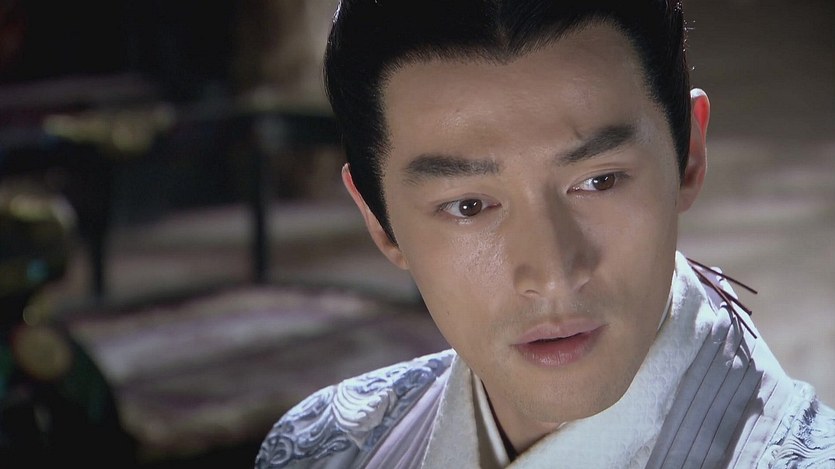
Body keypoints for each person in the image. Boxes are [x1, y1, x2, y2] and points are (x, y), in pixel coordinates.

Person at [255, 1, 835, 467]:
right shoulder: (322, 448)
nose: (553, 274)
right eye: (468, 205)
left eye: (600, 180)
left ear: (689, 156)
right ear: (380, 221)